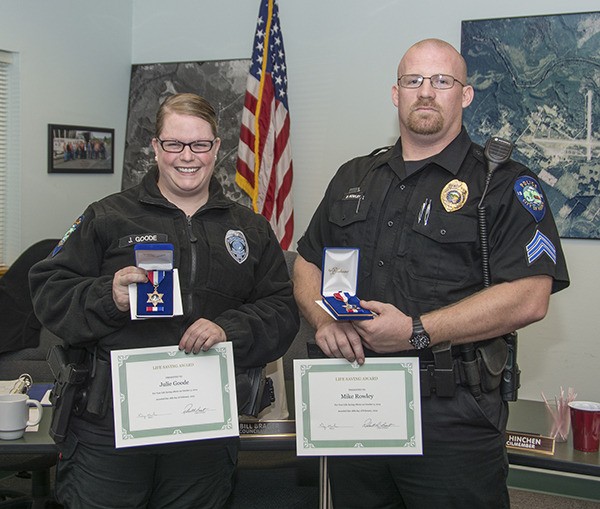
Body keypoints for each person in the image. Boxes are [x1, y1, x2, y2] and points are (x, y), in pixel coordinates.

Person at [293, 38, 569, 509]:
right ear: (395, 93)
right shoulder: (354, 176)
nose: (425, 91)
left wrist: (416, 332)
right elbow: (307, 262)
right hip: (355, 398)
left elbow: (529, 296)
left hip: (452, 413)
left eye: (442, 81)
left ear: (465, 94)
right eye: (413, 80)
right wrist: (323, 320)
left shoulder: (502, 184)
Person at [30, 93, 299, 509]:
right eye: (174, 144)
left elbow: (281, 312)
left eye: (199, 145)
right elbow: (49, 290)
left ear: (217, 148)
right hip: (108, 430)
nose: (186, 157)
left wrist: (229, 328)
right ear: (155, 147)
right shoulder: (107, 217)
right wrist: (108, 296)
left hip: (203, 433)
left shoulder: (250, 228)